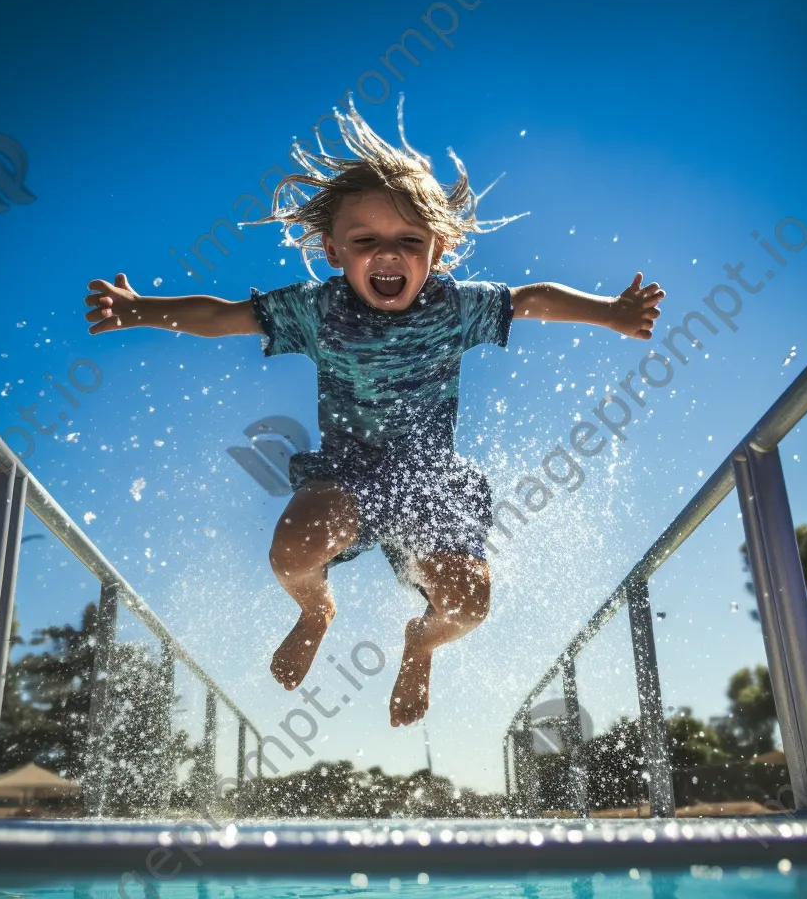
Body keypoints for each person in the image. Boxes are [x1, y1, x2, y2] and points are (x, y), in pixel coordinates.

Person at [84, 96, 664, 727]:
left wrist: (610, 311)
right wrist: (139, 309)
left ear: (437, 249)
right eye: (366, 241)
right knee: (292, 548)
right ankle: (315, 609)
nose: (388, 255)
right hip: (349, 471)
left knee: (467, 605)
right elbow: (223, 317)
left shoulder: (456, 306)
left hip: (431, 480)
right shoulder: (316, 307)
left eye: (409, 241)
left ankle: (421, 643)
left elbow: (530, 298)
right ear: (334, 251)